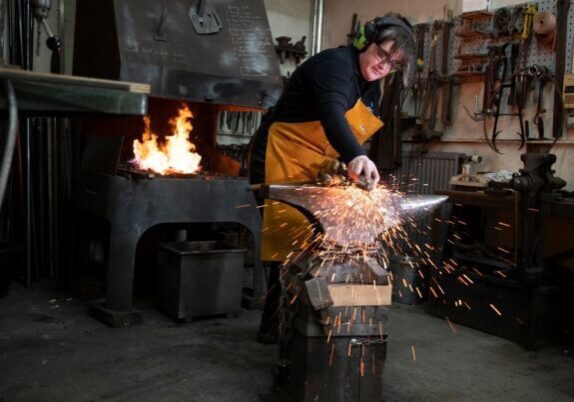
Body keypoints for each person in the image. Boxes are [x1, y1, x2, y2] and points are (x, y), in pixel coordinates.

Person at [248, 13, 415, 343]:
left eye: (393, 63)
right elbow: (331, 114)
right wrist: (356, 155)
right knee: (288, 247)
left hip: (316, 165)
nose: (384, 65)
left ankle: (306, 329)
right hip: (280, 156)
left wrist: (342, 165)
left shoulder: (371, 90)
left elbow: (346, 135)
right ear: (364, 43)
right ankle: (276, 333)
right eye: (382, 54)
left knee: (318, 247)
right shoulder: (335, 66)